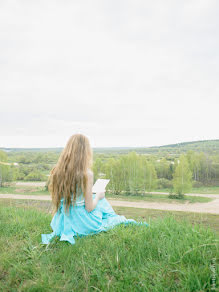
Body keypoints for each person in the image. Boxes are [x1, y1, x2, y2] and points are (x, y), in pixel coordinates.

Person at [41, 133, 149, 245]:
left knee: (94, 195)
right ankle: (113, 216)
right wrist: (98, 196)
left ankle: (108, 212)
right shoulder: (86, 174)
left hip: (62, 221)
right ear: (85, 152)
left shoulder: (57, 171)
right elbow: (89, 208)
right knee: (101, 200)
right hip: (82, 222)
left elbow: (72, 195)